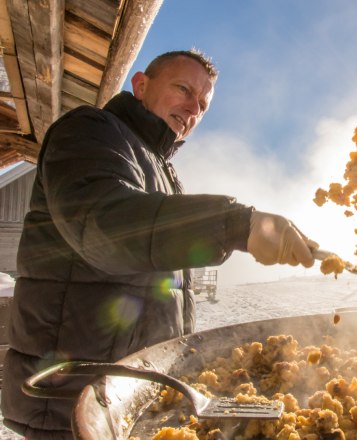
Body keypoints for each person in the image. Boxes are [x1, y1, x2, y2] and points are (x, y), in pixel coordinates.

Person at [1, 49, 317, 439]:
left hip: (131, 398)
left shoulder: (160, 168)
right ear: (141, 84)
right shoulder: (88, 130)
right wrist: (234, 225)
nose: (192, 109)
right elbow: (107, 226)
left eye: (202, 104)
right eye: (183, 89)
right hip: (71, 402)